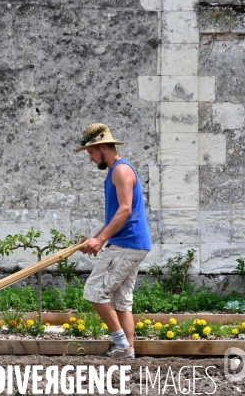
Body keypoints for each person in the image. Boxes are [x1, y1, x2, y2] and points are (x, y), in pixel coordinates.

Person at [75, 123, 152, 359]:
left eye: (91, 152)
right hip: (133, 244)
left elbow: (125, 210)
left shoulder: (121, 170)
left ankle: (121, 345)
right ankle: (127, 351)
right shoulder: (116, 171)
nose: (90, 159)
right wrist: (96, 238)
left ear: (103, 147)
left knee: (94, 291)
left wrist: (102, 241)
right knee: (121, 301)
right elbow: (114, 215)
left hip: (126, 244)